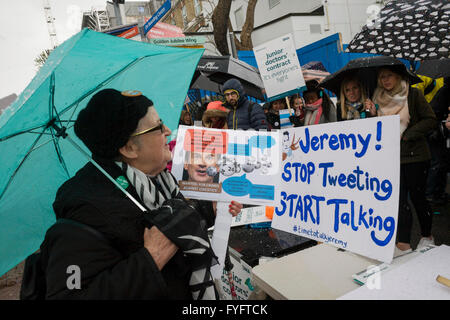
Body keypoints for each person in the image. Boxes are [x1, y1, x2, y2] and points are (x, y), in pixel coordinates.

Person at [35, 89, 242, 299]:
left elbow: (173, 223)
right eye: (158, 127)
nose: (168, 131)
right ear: (129, 148)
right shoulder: (83, 208)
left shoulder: (155, 178)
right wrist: (150, 258)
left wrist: (209, 209)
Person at [367, 66, 437, 256]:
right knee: (398, 201)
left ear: (398, 77)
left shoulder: (413, 94)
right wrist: (372, 114)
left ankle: (427, 236)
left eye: (389, 75)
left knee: (418, 198)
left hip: (415, 157)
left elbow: (430, 120)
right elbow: (378, 129)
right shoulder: (377, 99)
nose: (385, 80)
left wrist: (407, 135)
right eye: (382, 77)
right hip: (392, 158)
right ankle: (404, 243)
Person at [425, 77, 449, 206]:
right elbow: (433, 113)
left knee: (442, 162)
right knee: (438, 162)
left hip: (439, 132)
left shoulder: (444, 90)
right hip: (435, 133)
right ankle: (431, 193)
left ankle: (438, 191)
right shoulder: (445, 92)